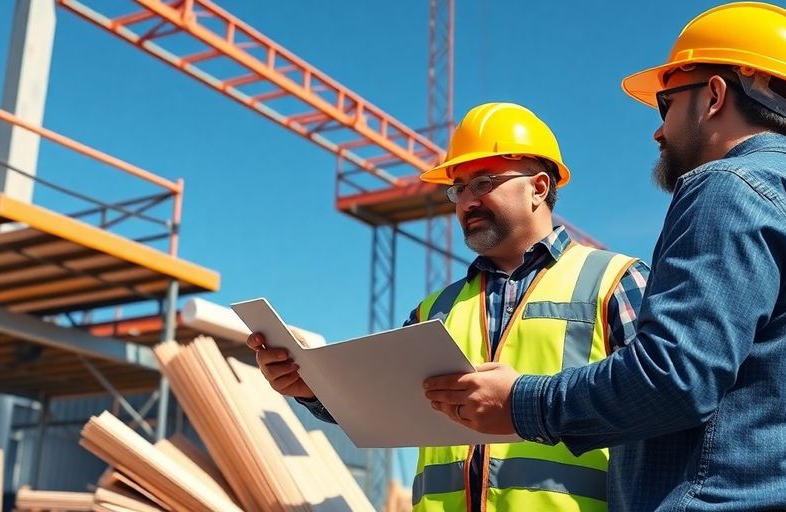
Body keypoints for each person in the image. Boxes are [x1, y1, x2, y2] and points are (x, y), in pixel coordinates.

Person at [422, 3, 786, 510]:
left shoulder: (726, 188)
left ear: (713, 96)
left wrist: (522, 403)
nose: (658, 129)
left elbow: (674, 376)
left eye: (665, 103)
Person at [248, 102, 650, 511]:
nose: (466, 202)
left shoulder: (615, 282)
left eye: (483, 183)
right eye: (458, 189)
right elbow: (383, 407)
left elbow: (660, 401)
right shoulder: (433, 310)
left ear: (539, 187)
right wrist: (315, 385)